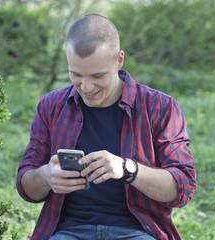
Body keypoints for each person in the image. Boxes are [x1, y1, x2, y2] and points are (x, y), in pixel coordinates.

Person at [16, 13, 196, 240]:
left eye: (98, 75)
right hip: (68, 232)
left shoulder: (160, 107)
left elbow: (183, 188)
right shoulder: (51, 106)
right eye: (76, 75)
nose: (87, 86)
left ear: (119, 60)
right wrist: (45, 176)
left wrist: (127, 169)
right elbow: (25, 186)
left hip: (139, 232)